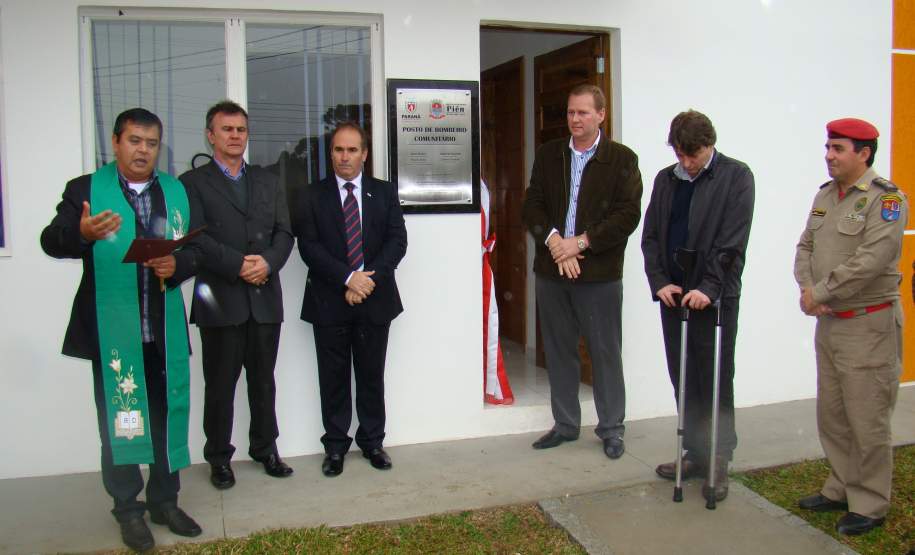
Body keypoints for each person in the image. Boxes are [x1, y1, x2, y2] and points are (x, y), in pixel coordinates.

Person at [40, 108, 201, 552]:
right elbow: (51, 241)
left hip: (161, 333)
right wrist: (83, 232)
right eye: (134, 140)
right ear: (115, 142)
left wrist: (179, 264)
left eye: (151, 143)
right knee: (121, 422)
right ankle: (128, 510)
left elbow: (196, 250)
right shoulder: (87, 190)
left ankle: (165, 502)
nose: (143, 150)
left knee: (167, 418)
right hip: (113, 336)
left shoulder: (175, 192)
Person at [794, 117, 907, 535]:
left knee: (867, 416)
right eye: (828, 147)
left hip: (868, 323)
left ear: (864, 154)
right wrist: (808, 288)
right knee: (834, 413)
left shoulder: (887, 200)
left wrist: (819, 292)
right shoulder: (825, 196)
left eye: (838, 148)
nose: (829, 155)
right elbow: (805, 245)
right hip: (830, 323)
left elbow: (872, 259)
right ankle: (840, 486)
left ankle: (871, 502)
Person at [521, 84, 642, 459]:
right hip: (552, 270)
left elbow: (627, 215)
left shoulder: (621, 159)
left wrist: (582, 242)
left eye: (584, 113)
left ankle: (611, 429)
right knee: (559, 351)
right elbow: (532, 204)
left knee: (605, 353)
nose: (575, 119)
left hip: (600, 276)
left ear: (601, 115)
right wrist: (557, 242)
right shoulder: (549, 154)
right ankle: (566, 425)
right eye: (571, 112)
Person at [179, 100, 295, 489]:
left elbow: (284, 232)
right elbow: (196, 237)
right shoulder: (192, 183)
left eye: (241, 129)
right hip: (220, 301)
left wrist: (268, 262)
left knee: (264, 382)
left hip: (264, 298)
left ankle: (266, 449)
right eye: (226, 129)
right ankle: (218, 458)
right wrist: (238, 264)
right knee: (220, 386)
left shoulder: (267, 180)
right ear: (210, 135)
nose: (235, 136)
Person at [641, 110, 755, 502]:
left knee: (715, 378)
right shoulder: (665, 179)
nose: (687, 163)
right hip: (674, 294)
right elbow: (651, 237)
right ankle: (694, 452)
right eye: (680, 154)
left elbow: (732, 242)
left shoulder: (736, 177)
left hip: (715, 298)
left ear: (710, 145)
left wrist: (709, 287)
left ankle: (719, 457)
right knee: (684, 375)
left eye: (694, 155)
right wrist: (659, 282)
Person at [292, 122, 407, 477]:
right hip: (329, 299)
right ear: (331, 154)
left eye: (352, 150)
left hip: (375, 299)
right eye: (339, 150)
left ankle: (372, 442)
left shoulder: (384, 193)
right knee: (334, 377)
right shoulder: (311, 195)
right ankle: (336, 447)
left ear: (365, 154)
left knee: (371, 375)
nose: (345, 156)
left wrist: (367, 280)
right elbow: (309, 246)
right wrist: (347, 277)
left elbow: (397, 241)